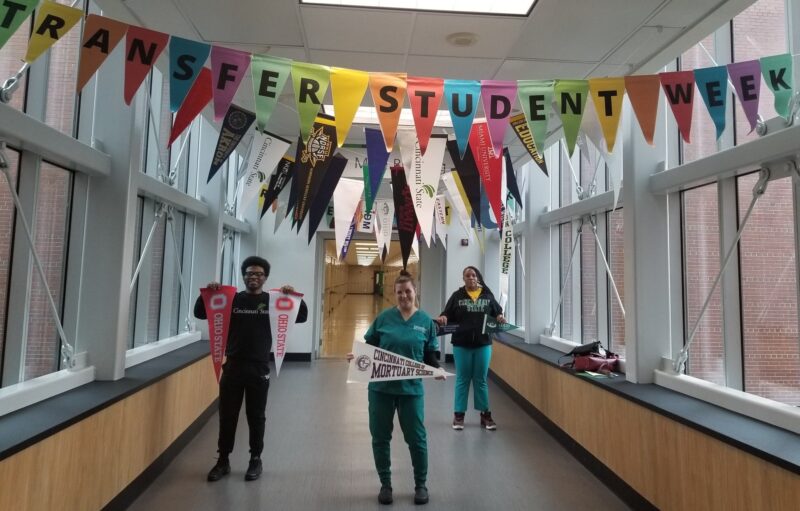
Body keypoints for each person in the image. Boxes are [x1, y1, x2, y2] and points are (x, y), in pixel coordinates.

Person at [194, 255, 308, 482]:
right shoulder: (231, 300)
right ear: (243, 276)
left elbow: (302, 316)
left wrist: (293, 296)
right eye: (249, 273)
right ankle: (223, 460)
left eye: (258, 274)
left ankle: (255, 459)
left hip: (258, 369)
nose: (253, 277)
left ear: (265, 278)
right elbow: (200, 313)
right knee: (228, 416)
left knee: (256, 417)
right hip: (233, 367)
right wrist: (207, 292)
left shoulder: (274, 301)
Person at [347, 270, 444, 506]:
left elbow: (430, 356)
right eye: (399, 292)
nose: (404, 296)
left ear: (415, 292)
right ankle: (385, 485)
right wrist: (357, 355)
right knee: (380, 437)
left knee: (417, 438)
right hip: (381, 389)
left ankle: (421, 484)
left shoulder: (425, 322)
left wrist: (437, 369)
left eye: (408, 291)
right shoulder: (383, 319)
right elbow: (370, 349)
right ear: (394, 294)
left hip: (411, 391)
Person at [435, 266, 504, 431]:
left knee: (480, 380)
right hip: (461, 344)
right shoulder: (457, 296)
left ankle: (485, 415)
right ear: (463, 278)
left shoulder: (487, 296)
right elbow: (446, 313)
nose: (471, 277)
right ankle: (459, 415)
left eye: (473, 275)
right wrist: (443, 317)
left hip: (483, 344)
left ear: (478, 278)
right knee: (462, 379)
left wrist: (500, 316)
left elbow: (497, 312)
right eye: (468, 275)